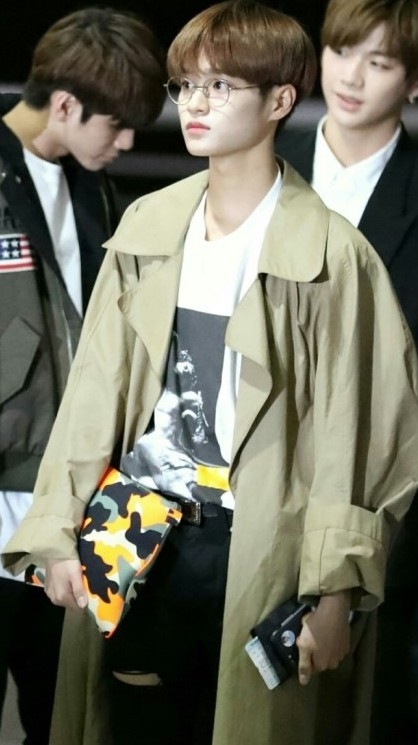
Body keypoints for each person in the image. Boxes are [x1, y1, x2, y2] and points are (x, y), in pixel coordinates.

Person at [3, 1, 418, 744]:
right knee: (126, 723)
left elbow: (359, 432)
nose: (194, 103)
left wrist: (334, 589)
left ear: (279, 101)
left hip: (261, 543)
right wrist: (58, 525)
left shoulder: (334, 255)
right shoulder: (148, 227)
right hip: (136, 535)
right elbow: (94, 391)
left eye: (221, 86)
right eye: (186, 85)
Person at [0, 7, 165, 744]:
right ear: (65, 105)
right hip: (8, 484)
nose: (127, 142)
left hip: (64, 507)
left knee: (61, 714)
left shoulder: (91, 187)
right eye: (117, 124)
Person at [275, 0, 418, 740]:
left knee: (376, 699)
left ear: (413, 81)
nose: (351, 77)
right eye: (339, 52)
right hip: (258, 473)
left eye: (380, 61)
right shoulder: (263, 167)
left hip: (390, 485)